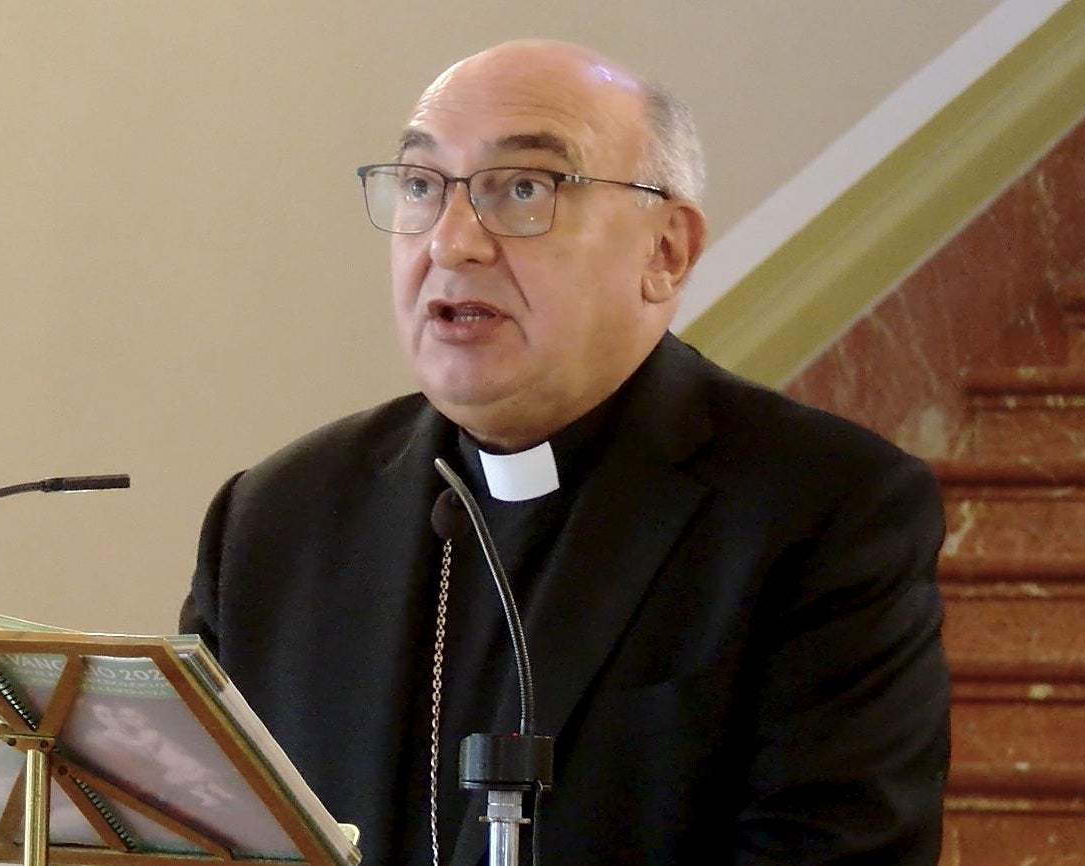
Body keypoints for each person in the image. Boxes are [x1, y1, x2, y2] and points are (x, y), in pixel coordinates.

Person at [180, 38, 949, 866]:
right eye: (421, 186)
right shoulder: (276, 518)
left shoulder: (820, 512)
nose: (451, 243)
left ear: (665, 252)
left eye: (524, 189)